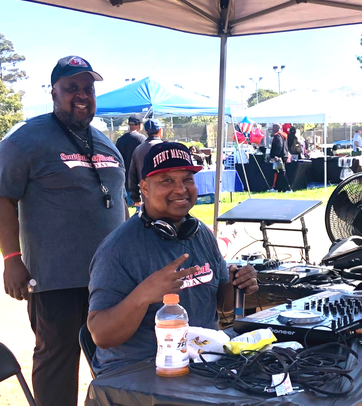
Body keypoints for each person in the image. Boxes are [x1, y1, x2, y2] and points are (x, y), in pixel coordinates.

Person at [0, 55, 127, 406]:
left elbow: (120, 202)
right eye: (71, 88)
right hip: (56, 279)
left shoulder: (106, 141)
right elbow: (2, 199)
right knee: (58, 361)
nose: (81, 95)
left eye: (88, 88)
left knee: (117, 359)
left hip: (111, 279)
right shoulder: (25, 140)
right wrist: (11, 260)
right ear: (53, 91)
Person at [87, 142, 259, 376]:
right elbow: (101, 335)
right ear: (145, 188)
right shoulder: (117, 249)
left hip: (204, 361)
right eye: (167, 181)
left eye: (187, 179)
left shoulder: (200, 233)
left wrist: (237, 286)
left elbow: (222, 304)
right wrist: (143, 295)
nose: (181, 189)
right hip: (138, 370)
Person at [128, 118, 163, 205]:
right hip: (165, 195)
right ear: (160, 130)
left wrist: (135, 198)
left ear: (146, 132)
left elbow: (132, 176)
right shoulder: (165, 147)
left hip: (147, 197)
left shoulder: (138, 150)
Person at [115, 114, 146, 206]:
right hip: (138, 179)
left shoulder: (120, 140)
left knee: (125, 209)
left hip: (124, 179)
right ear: (140, 125)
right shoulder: (142, 139)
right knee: (141, 210)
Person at [269, 123, 292, 192]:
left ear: (276, 128)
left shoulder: (277, 136)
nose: (272, 130)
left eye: (273, 128)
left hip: (279, 156)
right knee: (278, 172)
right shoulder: (283, 136)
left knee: (281, 172)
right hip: (284, 155)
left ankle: (288, 188)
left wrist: (276, 155)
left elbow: (279, 145)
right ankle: (278, 188)